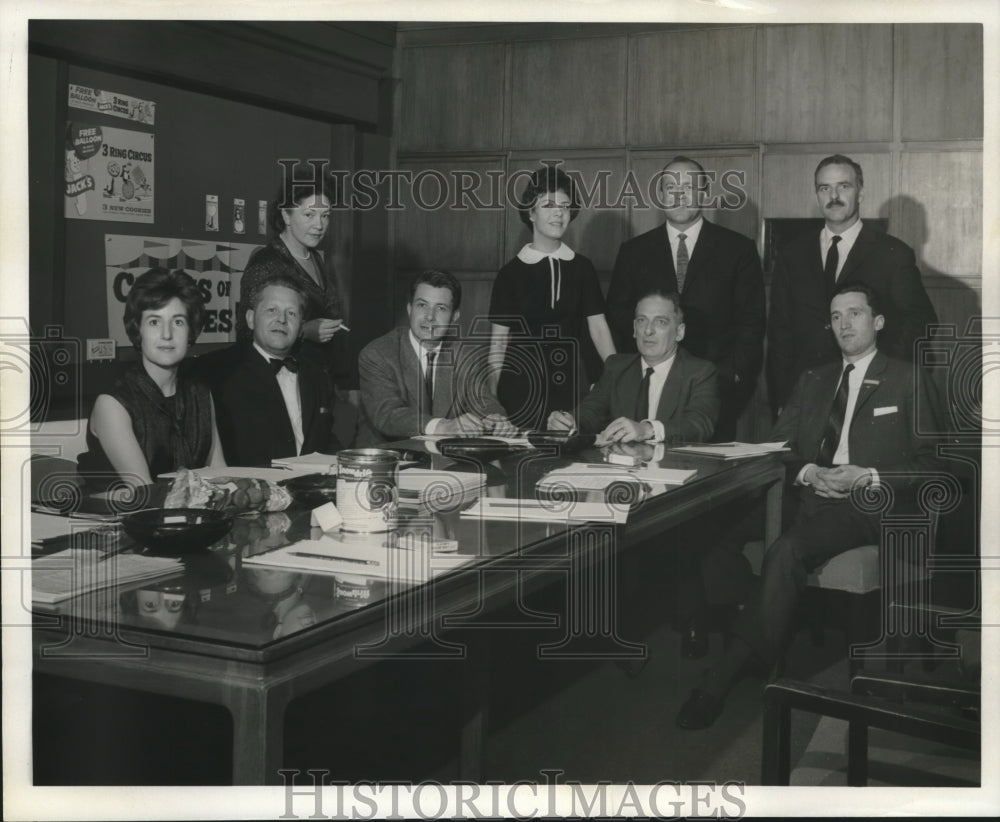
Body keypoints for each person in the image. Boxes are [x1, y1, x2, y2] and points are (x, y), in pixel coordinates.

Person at [675, 283, 941, 730]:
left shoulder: (908, 377)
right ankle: (765, 627)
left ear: (877, 322)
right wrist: (810, 472)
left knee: (787, 551)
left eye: (855, 313)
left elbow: (939, 465)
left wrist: (868, 475)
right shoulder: (814, 379)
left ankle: (724, 674)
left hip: (868, 505)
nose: (844, 324)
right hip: (807, 493)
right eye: (836, 316)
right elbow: (778, 448)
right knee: (712, 536)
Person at [605, 156, 765, 441]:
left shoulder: (737, 249)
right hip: (645, 393)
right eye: (670, 187)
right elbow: (619, 320)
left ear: (704, 193)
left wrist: (731, 379)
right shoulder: (633, 251)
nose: (679, 195)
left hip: (716, 393)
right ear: (661, 196)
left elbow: (751, 323)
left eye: (689, 187)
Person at [767, 154, 938, 416]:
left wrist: (883, 377)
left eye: (843, 186)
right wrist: (782, 399)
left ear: (860, 193)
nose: (833, 195)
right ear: (817, 195)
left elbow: (921, 322)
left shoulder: (892, 253)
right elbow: (780, 332)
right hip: (807, 395)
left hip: (871, 394)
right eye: (825, 188)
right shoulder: (792, 254)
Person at [488, 167, 616, 430]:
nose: (559, 212)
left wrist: (618, 379)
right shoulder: (509, 274)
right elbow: (498, 344)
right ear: (531, 213)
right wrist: (496, 400)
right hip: (520, 385)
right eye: (548, 205)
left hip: (571, 383)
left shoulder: (582, 268)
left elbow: (599, 329)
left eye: (565, 206)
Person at [78, 268, 225, 488]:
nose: (167, 334)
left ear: (191, 330)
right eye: (154, 322)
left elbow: (220, 474)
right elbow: (144, 493)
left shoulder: (200, 393)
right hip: (119, 518)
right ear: (138, 330)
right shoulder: (112, 403)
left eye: (178, 322)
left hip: (188, 515)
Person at [357, 270, 514, 446]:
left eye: (441, 308)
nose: (430, 317)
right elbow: (387, 415)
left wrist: (494, 419)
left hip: (442, 461)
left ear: (454, 316)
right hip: (385, 458)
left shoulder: (465, 355)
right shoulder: (378, 354)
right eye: (422, 305)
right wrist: (443, 426)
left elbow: (484, 401)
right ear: (409, 309)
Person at [197, 273, 336, 467]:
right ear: (251, 319)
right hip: (247, 491)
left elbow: (327, 442)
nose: (281, 320)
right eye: (272, 310)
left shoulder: (318, 376)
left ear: (301, 327)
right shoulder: (216, 371)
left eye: (292, 313)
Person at [548, 291, 718, 446]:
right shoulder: (617, 367)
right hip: (620, 470)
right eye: (641, 320)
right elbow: (591, 411)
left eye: (661, 322)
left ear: (679, 332)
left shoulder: (700, 372)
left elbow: (699, 424)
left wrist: (646, 429)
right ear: (634, 329)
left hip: (674, 469)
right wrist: (569, 422)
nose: (648, 330)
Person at [237, 176, 353, 387]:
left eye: (325, 216)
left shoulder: (316, 257)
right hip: (277, 382)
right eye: (309, 215)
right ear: (286, 215)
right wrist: (304, 330)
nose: (319, 225)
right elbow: (246, 332)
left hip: (318, 380)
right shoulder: (266, 263)